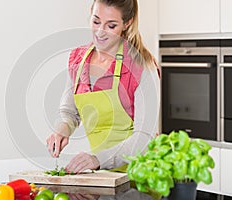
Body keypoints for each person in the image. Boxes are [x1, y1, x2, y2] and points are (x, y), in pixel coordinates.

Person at [46, 0, 160, 173]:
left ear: (127, 23)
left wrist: (98, 159)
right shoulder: (78, 60)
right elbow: (69, 112)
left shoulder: (142, 66)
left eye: (111, 25)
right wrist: (62, 129)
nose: (100, 32)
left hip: (140, 176)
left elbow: (144, 137)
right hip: (102, 176)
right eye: (96, 21)